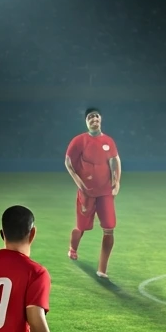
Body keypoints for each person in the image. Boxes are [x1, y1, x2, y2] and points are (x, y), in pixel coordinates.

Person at [64, 107, 121, 278]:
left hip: (105, 193)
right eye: (90, 117)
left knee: (109, 228)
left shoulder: (109, 141)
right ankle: (73, 248)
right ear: (86, 121)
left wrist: (116, 182)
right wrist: (79, 184)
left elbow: (115, 161)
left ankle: (102, 269)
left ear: (101, 119)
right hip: (86, 193)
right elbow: (68, 162)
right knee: (81, 227)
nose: (94, 119)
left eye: (96, 116)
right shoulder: (79, 141)